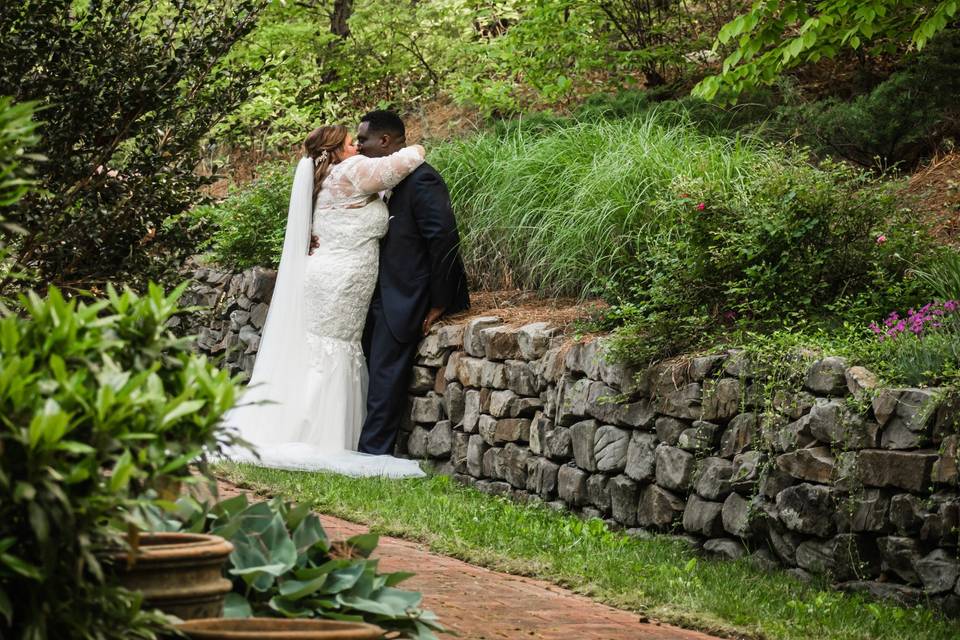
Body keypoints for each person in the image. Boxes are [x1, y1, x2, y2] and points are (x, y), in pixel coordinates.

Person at [224, 124, 427, 478]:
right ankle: (316, 437)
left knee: (321, 350)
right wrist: (419, 147)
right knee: (329, 350)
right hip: (340, 280)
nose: (357, 148)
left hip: (330, 275)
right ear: (334, 151)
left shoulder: (326, 178)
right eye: (351, 143)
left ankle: (301, 428)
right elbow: (403, 162)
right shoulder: (349, 171)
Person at [354, 110, 470, 455]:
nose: (358, 146)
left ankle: (371, 455)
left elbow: (443, 238)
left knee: (385, 378)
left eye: (363, 139)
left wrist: (439, 299)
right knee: (369, 374)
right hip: (373, 293)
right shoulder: (382, 181)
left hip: (405, 296)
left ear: (385, 141)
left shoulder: (423, 180)